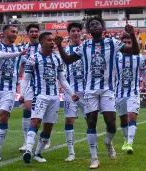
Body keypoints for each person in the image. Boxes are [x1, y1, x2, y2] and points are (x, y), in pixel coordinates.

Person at [54, 17, 140, 169]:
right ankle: (94, 158)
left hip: (108, 89)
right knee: (91, 122)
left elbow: (134, 51)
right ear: (88, 30)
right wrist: (59, 45)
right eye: (91, 25)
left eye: (97, 24)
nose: (94, 26)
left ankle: (108, 142)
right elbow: (67, 60)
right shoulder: (85, 45)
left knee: (111, 124)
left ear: (102, 28)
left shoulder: (112, 42)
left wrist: (132, 35)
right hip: (90, 90)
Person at [20, 32, 79, 164]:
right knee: (35, 121)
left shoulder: (57, 59)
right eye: (49, 40)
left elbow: (62, 79)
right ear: (42, 43)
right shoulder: (33, 59)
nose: (52, 43)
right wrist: (22, 94)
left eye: (53, 40)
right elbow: (26, 79)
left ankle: (38, 153)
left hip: (54, 97)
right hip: (40, 96)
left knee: (48, 127)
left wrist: (71, 93)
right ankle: (28, 150)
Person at [0, 25, 27, 161]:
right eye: (12, 31)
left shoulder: (20, 48)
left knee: (3, 115)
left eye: (16, 32)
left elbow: (24, 64)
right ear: (4, 33)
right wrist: (19, 54)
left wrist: (19, 76)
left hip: (9, 88)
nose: (15, 34)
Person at [115, 33, 146, 154]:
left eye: (129, 42)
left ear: (132, 43)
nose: (127, 44)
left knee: (132, 116)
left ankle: (130, 143)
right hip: (118, 93)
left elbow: (145, 74)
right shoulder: (116, 57)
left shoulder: (139, 57)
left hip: (133, 92)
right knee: (123, 119)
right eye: (124, 42)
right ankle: (126, 140)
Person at [18, 24, 52, 152]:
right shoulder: (24, 49)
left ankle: (46, 138)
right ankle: (27, 142)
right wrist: (20, 80)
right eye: (31, 31)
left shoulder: (43, 46)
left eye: (36, 31)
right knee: (27, 110)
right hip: (30, 85)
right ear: (27, 34)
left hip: (43, 84)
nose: (34, 33)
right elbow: (22, 67)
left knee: (41, 112)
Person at [62, 22, 85, 162]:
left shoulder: (87, 48)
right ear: (69, 34)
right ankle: (71, 152)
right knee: (69, 120)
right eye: (73, 31)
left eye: (78, 31)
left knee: (91, 120)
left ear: (81, 33)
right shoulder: (63, 51)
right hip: (70, 90)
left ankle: (93, 148)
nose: (76, 33)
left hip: (87, 90)